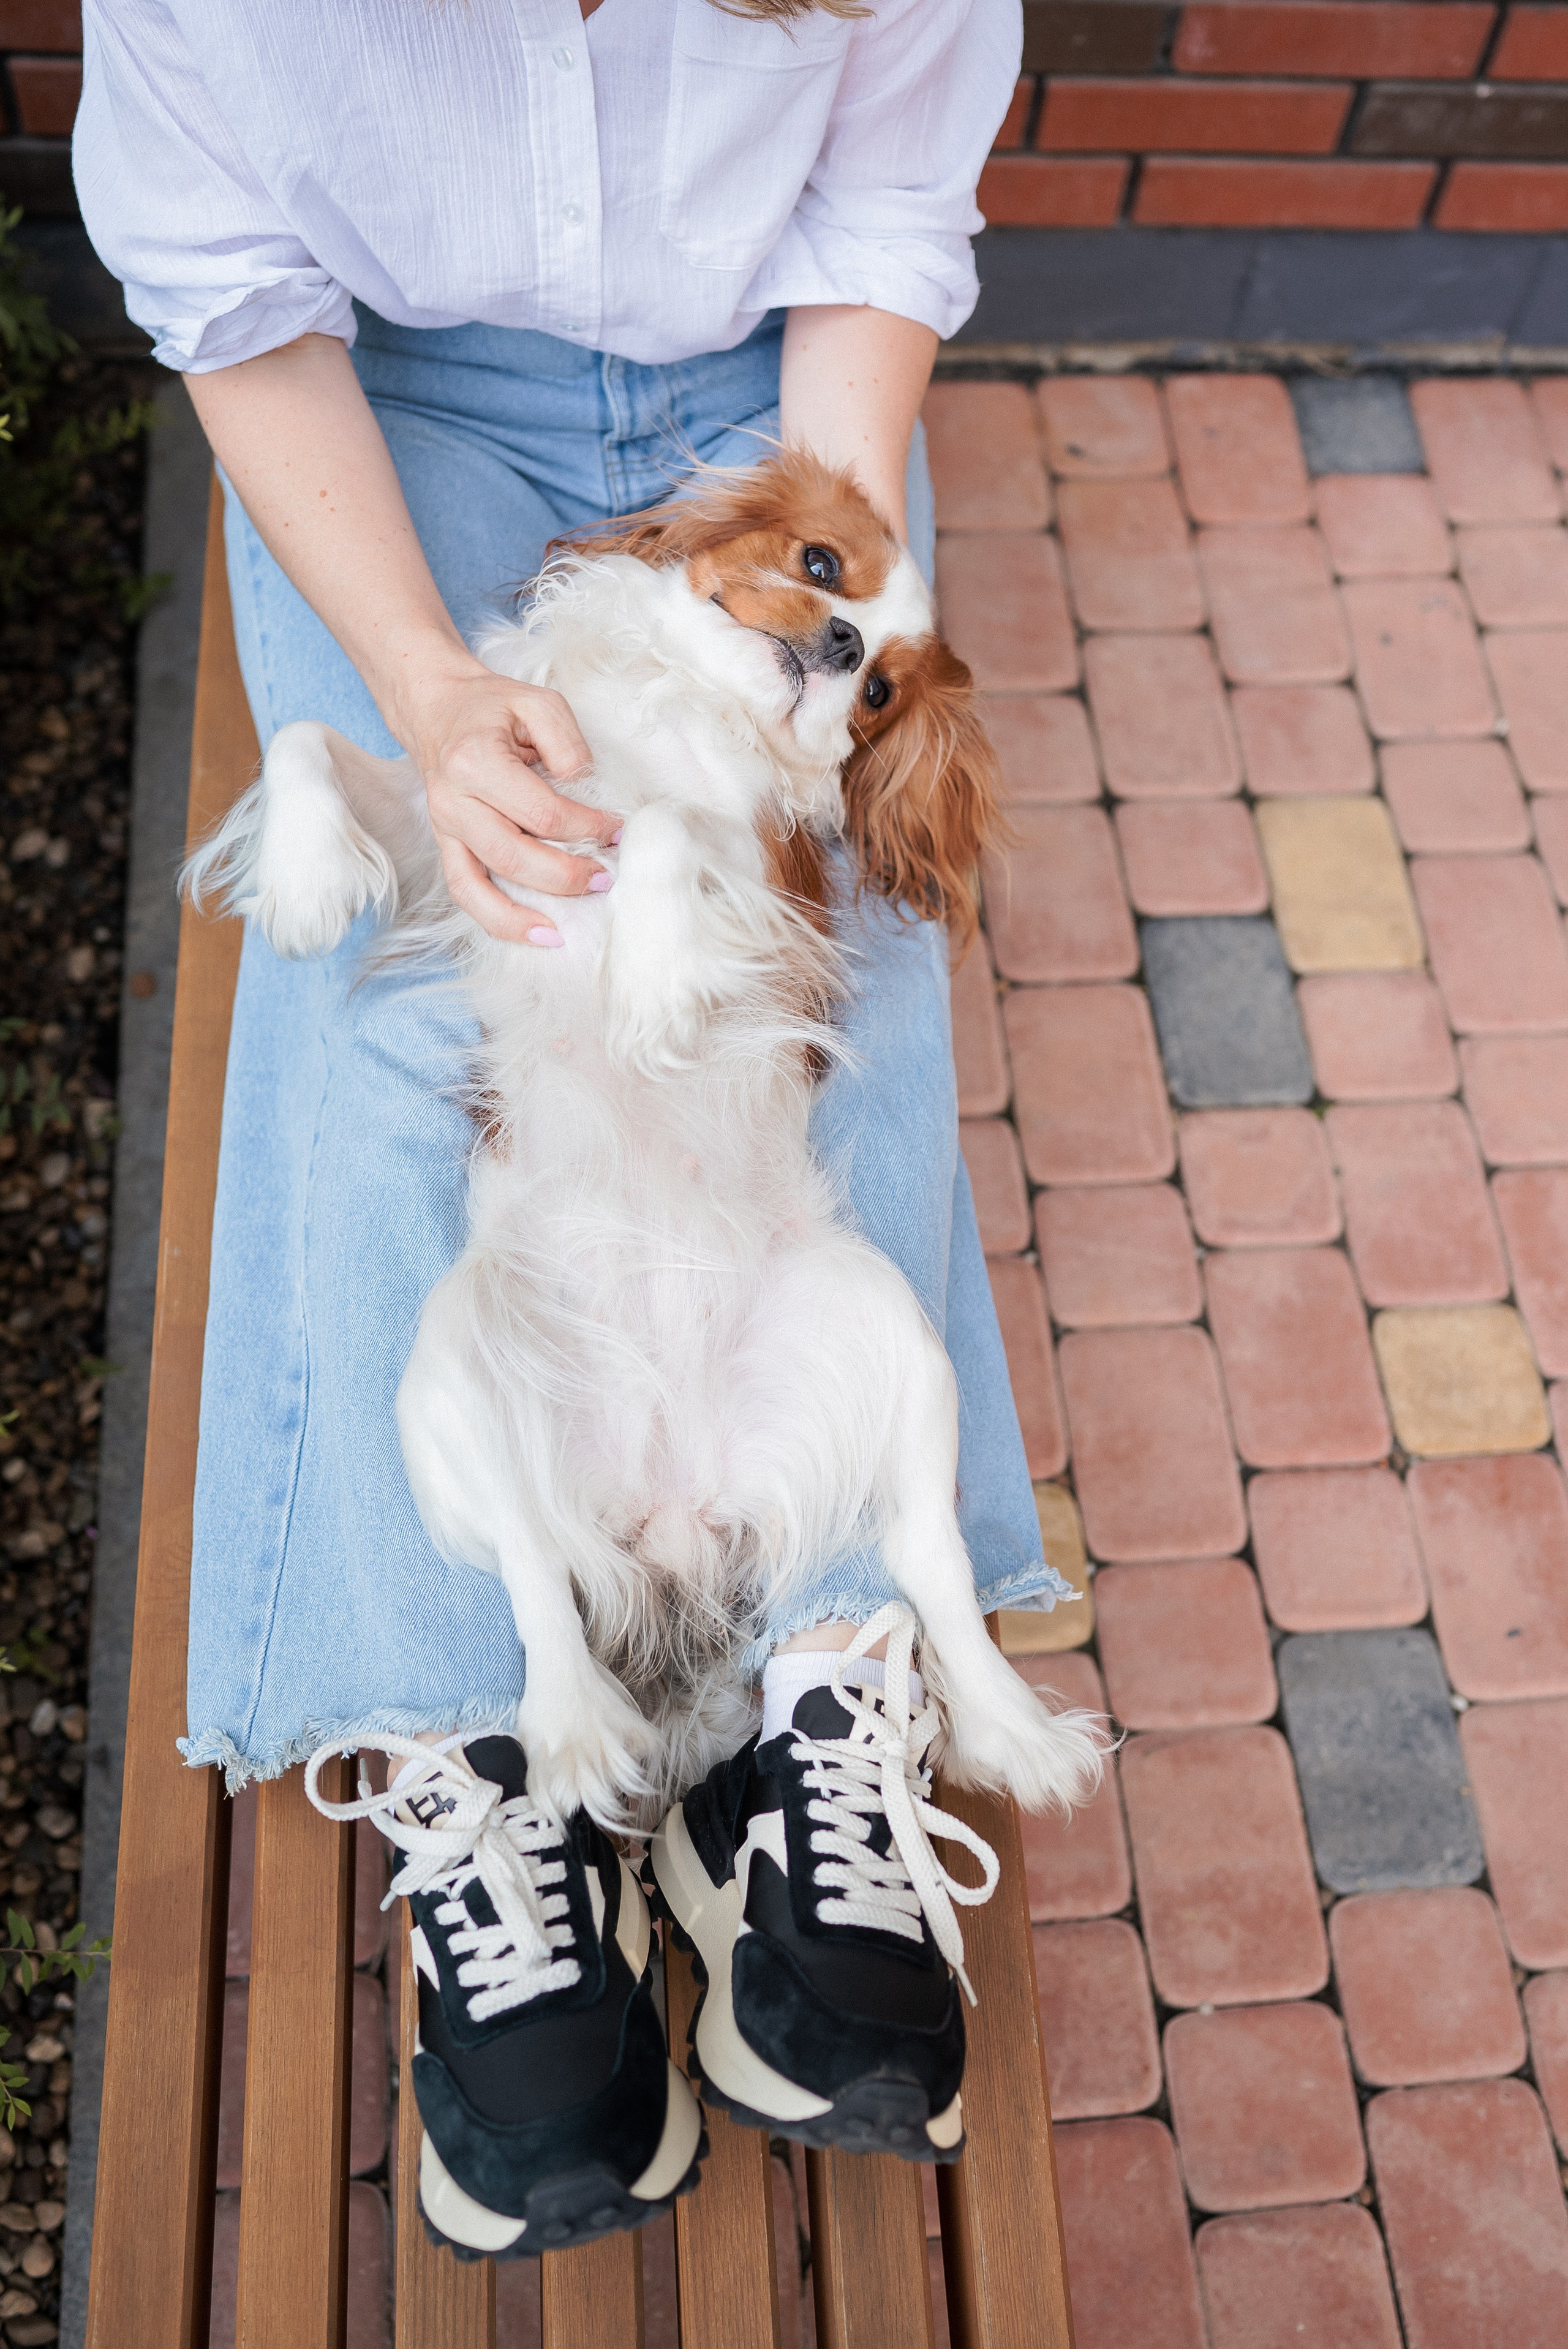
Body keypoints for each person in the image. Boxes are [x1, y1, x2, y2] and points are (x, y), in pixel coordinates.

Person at [77, 0, 1076, 2254]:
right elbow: (239, 305)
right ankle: (483, 1751)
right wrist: (432, 693)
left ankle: (801, 1700)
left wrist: (800, 627)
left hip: (771, 386)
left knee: (849, 974)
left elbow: (887, 216)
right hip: (390, 396)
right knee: (386, 1012)